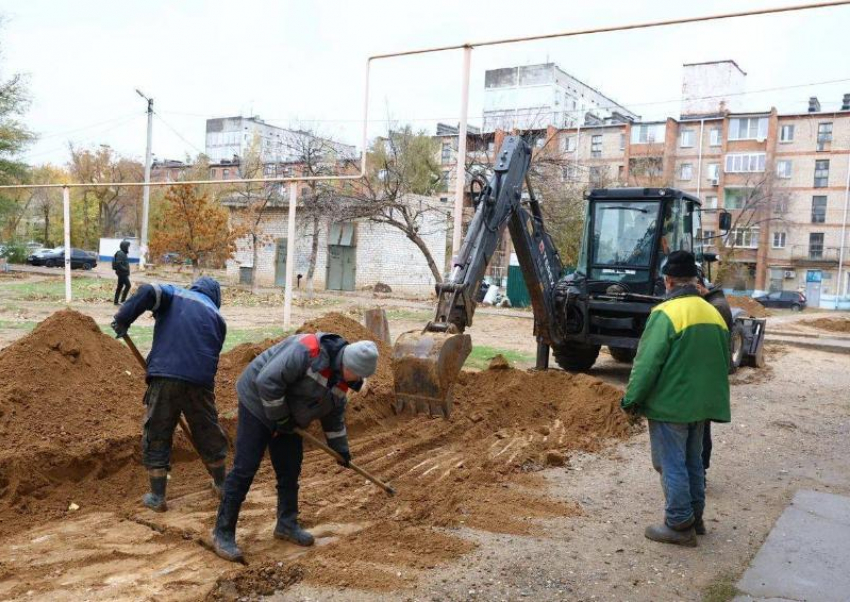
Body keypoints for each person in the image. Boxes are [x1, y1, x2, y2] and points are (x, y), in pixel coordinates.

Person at [211, 331, 379, 562]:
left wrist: (340, 448)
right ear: (346, 363)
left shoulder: (344, 378)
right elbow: (267, 381)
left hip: (287, 414)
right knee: (245, 467)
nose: (355, 380)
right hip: (257, 403)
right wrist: (280, 417)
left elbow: (333, 415)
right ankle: (223, 533)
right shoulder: (306, 350)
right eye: (356, 374)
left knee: (290, 468)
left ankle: (286, 524)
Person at [621, 250, 731, 547]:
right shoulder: (714, 313)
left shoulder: (666, 314)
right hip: (702, 405)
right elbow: (725, 363)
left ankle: (679, 523)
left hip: (671, 404)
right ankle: (696, 518)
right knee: (693, 461)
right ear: (695, 281)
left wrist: (631, 400)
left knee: (670, 463)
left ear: (668, 281)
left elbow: (647, 364)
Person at [111, 276, 229, 512]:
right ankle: (222, 484)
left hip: (166, 375)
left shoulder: (176, 294)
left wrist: (123, 318)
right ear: (215, 298)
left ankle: (157, 497)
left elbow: (147, 290)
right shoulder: (218, 318)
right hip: (200, 381)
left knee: (158, 431)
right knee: (207, 429)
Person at [113, 240, 132, 305]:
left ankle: (116, 301)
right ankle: (123, 301)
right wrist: (125, 269)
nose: (128, 248)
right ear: (124, 246)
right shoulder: (121, 253)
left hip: (122, 273)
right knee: (128, 285)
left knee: (120, 287)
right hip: (122, 273)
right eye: (127, 246)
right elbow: (118, 263)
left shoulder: (123, 253)